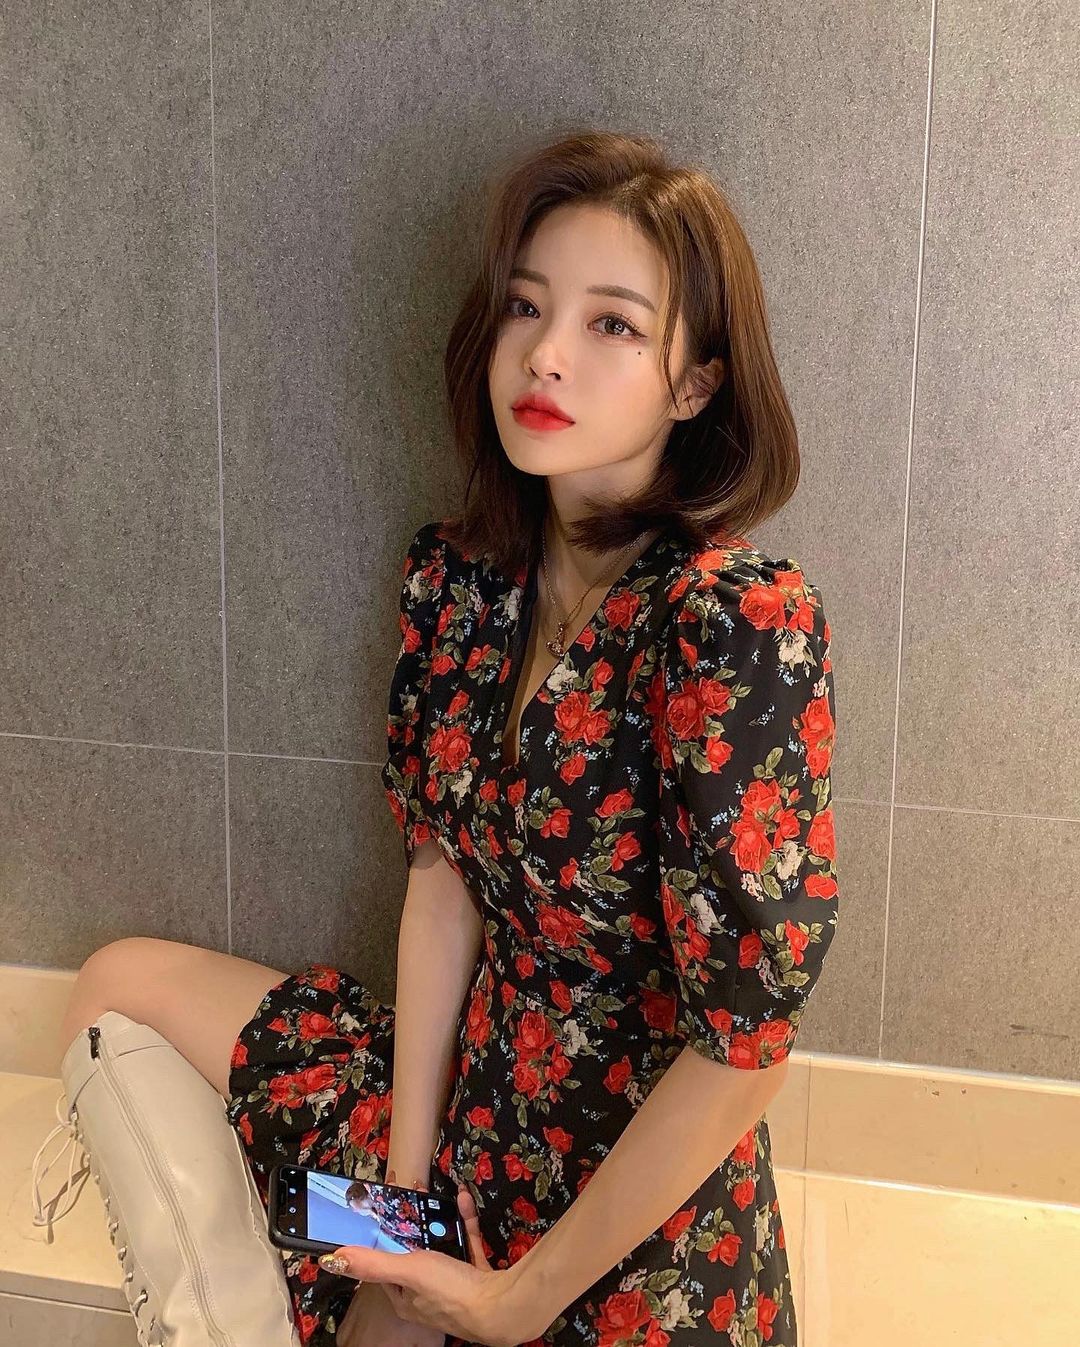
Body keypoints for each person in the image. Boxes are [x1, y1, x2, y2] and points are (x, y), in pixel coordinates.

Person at [52, 128, 838, 1346]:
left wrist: (516, 1301)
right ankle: (255, 1307)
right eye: (527, 305)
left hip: (631, 1207)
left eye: (613, 324)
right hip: (465, 1114)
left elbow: (745, 1049)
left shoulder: (730, 626)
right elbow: (442, 884)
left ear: (694, 386)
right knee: (117, 981)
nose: (546, 353)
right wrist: (400, 1210)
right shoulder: (468, 583)